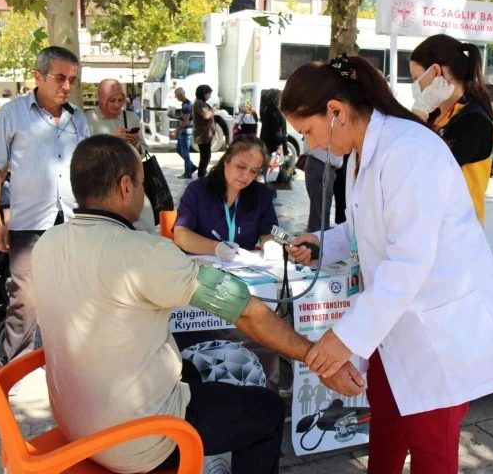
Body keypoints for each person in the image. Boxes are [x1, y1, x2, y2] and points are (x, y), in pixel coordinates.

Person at [30, 134, 364, 473]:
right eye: (144, 185)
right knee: (267, 409)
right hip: (136, 440)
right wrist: (315, 357)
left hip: (74, 422)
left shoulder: (46, 244)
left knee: (197, 372)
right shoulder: (144, 252)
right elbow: (246, 311)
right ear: (126, 186)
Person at [279, 54, 493, 473]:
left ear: (336, 111)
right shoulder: (363, 154)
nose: (310, 144)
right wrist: (321, 243)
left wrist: (342, 339)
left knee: (432, 451)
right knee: (387, 437)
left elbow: (408, 261)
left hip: (438, 334)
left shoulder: (409, 150)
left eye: (307, 131)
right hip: (393, 327)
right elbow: (363, 229)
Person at [0, 46, 91, 392]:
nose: (67, 85)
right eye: (60, 77)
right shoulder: (12, 114)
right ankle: (15, 367)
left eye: (72, 79)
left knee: (75, 294)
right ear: (38, 76)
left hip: (73, 220)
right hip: (30, 222)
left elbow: (88, 171)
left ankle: (71, 361)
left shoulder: (79, 119)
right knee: (25, 297)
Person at [410, 34, 493, 224]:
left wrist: (419, 113)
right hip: (429, 227)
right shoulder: (435, 115)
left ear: (435, 72)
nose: (415, 85)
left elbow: (420, 166)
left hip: (459, 235)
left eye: (416, 77)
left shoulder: (474, 121)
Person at [174, 135, 278, 260]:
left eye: (254, 171)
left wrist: (271, 244)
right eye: (241, 167)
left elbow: (268, 233)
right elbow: (181, 235)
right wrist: (216, 248)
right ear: (226, 160)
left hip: (244, 268)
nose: (246, 176)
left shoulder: (261, 193)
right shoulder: (197, 190)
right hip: (202, 268)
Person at [85, 79, 154, 232]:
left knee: (144, 229)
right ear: (101, 98)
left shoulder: (131, 118)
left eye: (120, 100)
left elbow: (143, 152)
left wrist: (135, 145)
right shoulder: (87, 120)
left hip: (131, 185)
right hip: (103, 188)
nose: (117, 105)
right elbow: (85, 157)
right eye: (112, 100)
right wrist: (110, 140)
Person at [193, 85, 216, 177]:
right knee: (205, 156)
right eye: (208, 94)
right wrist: (213, 109)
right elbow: (207, 115)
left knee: (206, 156)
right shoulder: (199, 103)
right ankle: (201, 174)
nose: (209, 96)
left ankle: (202, 173)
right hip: (202, 135)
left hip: (205, 134)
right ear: (203, 94)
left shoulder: (201, 102)